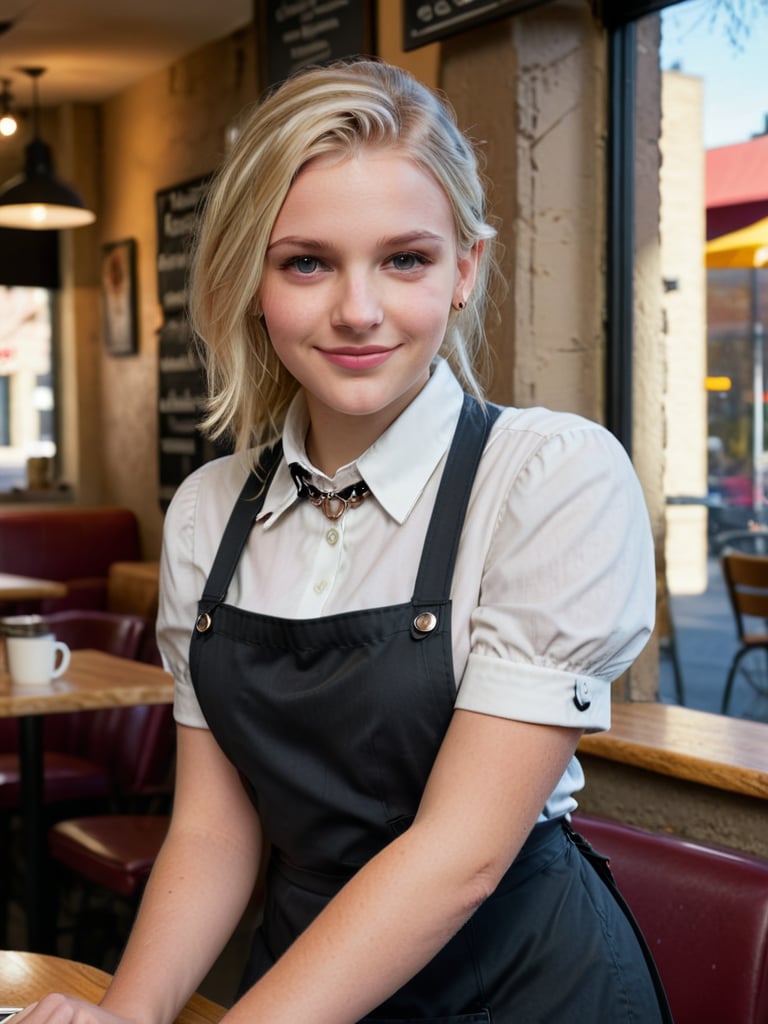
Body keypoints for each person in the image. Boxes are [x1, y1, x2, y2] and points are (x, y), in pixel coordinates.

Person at [17, 59, 670, 1023]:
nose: (357, 310)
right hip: (297, 984)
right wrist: (129, 1014)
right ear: (252, 280)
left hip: (523, 988)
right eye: (307, 262)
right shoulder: (207, 514)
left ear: (465, 271)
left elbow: (461, 856)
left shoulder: (550, 477)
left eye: (405, 259)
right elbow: (212, 832)